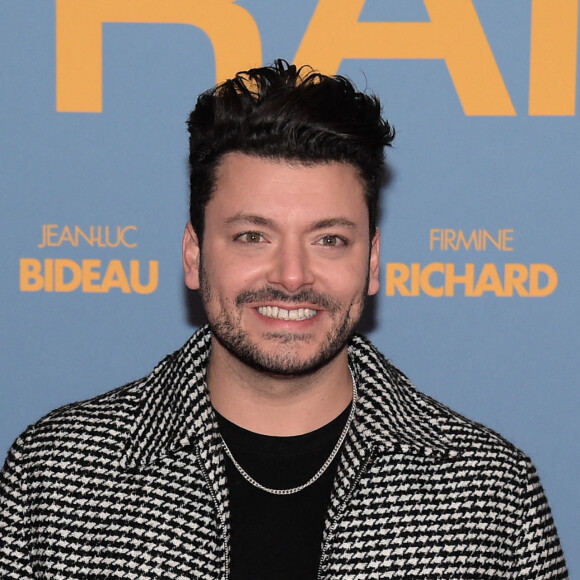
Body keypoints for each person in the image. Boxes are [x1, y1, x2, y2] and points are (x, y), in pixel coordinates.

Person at [0, 60, 568, 579]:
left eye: (329, 239)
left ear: (371, 262)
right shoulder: (53, 479)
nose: (292, 277)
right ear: (194, 256)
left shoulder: (492, 494)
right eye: (253, 236)